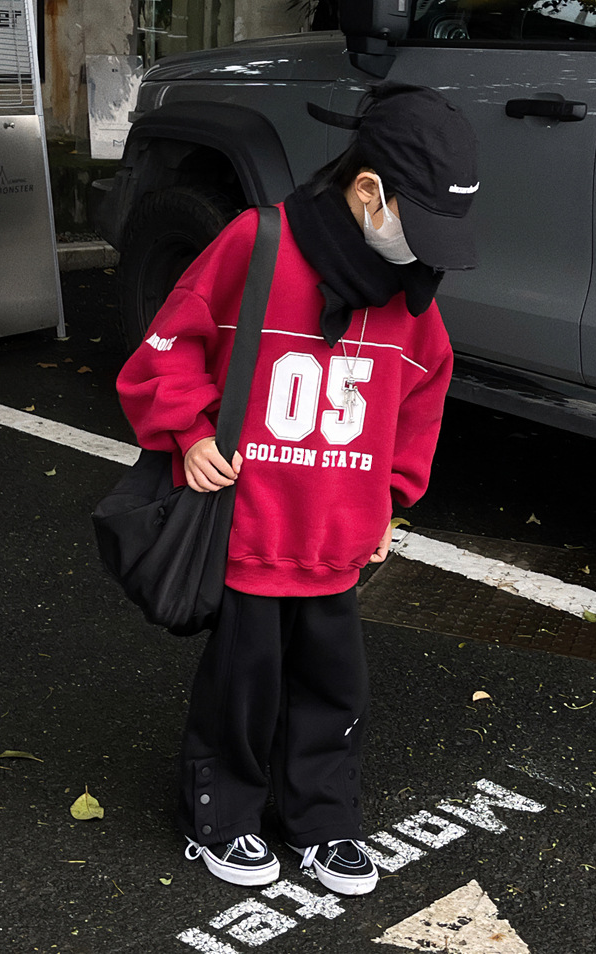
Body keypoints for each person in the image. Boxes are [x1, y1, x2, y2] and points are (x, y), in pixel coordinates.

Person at [116, 83, 479, 897]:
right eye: (418, 223)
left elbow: (423, 393)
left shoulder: (410, 291)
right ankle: (221, 815)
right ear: (367, 190)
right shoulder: (259, 242)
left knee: (332, 689)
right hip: (251, 525)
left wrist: (390, 498)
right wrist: (190, 432)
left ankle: (322, 819)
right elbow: (171, 342)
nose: (426, 251)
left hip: (337, 536)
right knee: (240, 688)